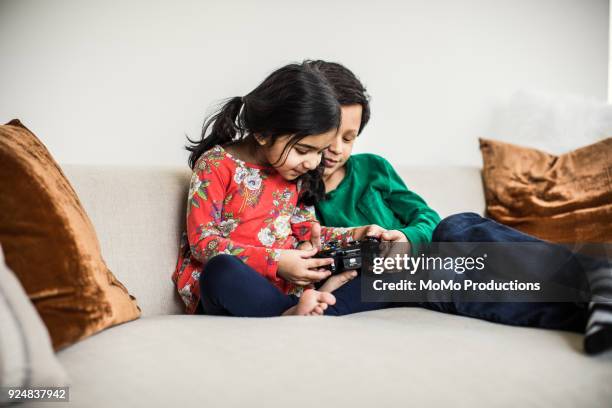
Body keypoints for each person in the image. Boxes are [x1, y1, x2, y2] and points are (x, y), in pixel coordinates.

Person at [306, 60, 612, 355]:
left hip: (427, 255)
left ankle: (595, 275)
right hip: (384, 280)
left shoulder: (372, 169)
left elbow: (425, 217)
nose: (337, 149)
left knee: (457, 228)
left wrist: (407, 240)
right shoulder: (296, 193)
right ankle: (590, 315)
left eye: (349, 138)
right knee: (450, 287)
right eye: (331, 137)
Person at [172, 62, 383, 318]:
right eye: (304, 150)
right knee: (222, 270)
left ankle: (305, 308)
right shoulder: (215, 165)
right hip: (237, 290)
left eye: (319, 151)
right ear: (263, 133)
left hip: (287, 291)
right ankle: (301, 311)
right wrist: (277, 262)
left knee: (383, 262)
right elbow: (204, 244)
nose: (313, 162)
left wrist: (358, 234)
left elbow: (306, 228)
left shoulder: (294, 173)